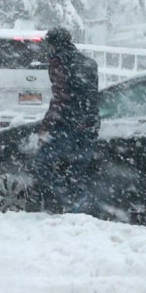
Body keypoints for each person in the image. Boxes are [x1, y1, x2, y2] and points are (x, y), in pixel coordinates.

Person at [33, 26, 100, 213]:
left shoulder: (59, 62)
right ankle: (80, 209)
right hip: (90, 122)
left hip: (68, 123)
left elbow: (60, 99)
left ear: (54, 44)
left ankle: (69, 199)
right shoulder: (88, 62)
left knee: (41, 162)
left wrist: (46, 126)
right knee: (78, 171)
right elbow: (91, 95)